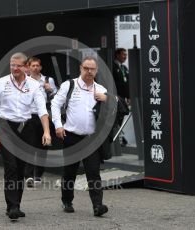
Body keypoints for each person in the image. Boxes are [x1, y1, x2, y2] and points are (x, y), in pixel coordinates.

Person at [0, 52, 51, 220]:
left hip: (26, 129)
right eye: (12, 65)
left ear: (25, 67)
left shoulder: (34, 84)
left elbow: (42, 110)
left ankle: (17, 203)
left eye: (18, 66)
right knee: (11, 167)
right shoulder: (1, 83)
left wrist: (46, 131)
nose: (15, 68)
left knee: (22, 169)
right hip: (6, 128)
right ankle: (12, 206)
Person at [51, 56, 109, 217]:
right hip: (71, 136)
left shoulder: (101, 89)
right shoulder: (69, 85)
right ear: (81, 68)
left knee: (93, 172)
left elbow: (116, 109)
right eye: (86, 68)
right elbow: (55, 104)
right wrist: (58, 125)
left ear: (96, 71)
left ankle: (98, 205)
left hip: (91, 139)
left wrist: (107, 99)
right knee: (70, 171)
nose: (89, 72)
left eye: (92, 69)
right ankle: (67, 200)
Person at [24, 57, 57, 187]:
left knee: (43, 146)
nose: (35, 68)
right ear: (28, 67)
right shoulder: (25, 81)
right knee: (30, 145)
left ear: (41, 67)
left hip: (45, 116)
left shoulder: (48, 80)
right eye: (33, 65)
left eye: (38, 65)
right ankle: (28, 175)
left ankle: (39, 174)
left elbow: (57, 97)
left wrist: (51, 89)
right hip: (30, 116)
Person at [112, 48, 130, 146]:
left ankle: (119, 137)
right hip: (115, 97)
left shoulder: (124, 68)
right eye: (123, 54)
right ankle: (118, 138)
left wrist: (129, 96)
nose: (125, 57)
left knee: (121, 117)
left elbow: (127, 84)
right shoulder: (113, 67)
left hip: (123, 98)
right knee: (116, 117)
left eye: (126, 55)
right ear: (117, 55)